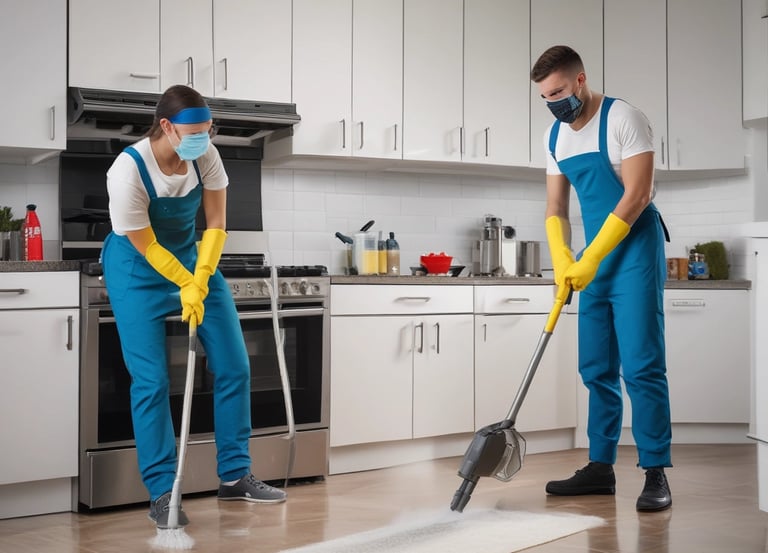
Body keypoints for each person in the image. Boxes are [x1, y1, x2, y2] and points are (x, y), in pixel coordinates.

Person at [102, 84, 286, 529]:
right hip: (137, 271)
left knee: (235, 364)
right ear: (166, 126)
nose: (205, 137)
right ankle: (163, 491)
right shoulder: (127, 171)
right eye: (196, 130)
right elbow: (144, 245)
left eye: (210, 129)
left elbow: (218, 223)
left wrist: (200, 277)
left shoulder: (206, 155)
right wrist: (184, 281)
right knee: (151, 380)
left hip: (193, 262)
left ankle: (235, 475)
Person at [530, 45, 672, 511]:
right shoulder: (556, 137)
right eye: (545, 97)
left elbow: (637, 194)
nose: (553, 103)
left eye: (558, 92)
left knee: (642, 365)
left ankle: (655, 471)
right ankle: (600, 467)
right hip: (593, 257)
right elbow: (556, 207)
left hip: (633, 252)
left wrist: (590, 260)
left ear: (580, 80)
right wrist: (563, 259)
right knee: (595, 367)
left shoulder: (623, 119)